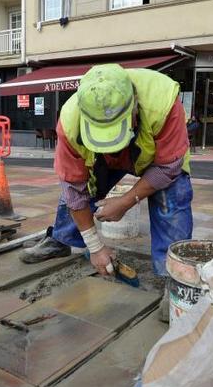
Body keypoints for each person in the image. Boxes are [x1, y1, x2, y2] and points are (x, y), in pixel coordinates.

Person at [20, 64, 193, 285]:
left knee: (173, 192)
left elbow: (169, 167)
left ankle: (175, 276)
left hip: (154, 157)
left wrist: (126, 201)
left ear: (134, 108)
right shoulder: (70, 120)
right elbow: (74, 188)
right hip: (100, 160)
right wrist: (95, 246)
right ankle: (62, 239)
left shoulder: (163, 100)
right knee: (77, 189)